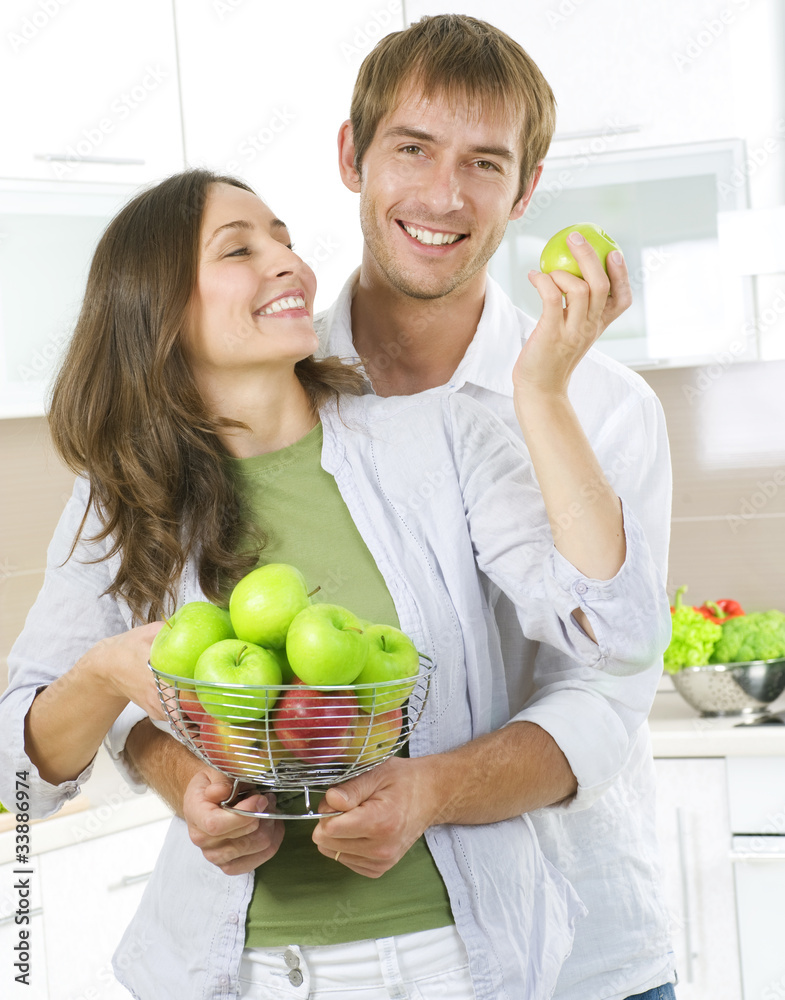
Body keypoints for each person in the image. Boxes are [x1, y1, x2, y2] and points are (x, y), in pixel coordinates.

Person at [0, 164, 669, 1000]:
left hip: (461, 966)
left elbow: (616, 628)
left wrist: (541, 388)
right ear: (159, 312)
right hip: (247, 974)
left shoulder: (441, 437)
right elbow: (15, 785)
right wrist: (108, 680)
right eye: (239, 249)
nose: (288, 261)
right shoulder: (121, 499)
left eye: (282, 237)